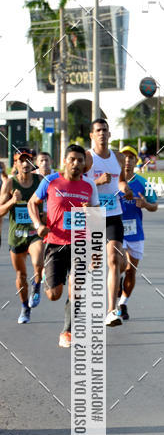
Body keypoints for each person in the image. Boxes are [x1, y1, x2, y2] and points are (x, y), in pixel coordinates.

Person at [27, 144, 99, 348]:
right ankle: (43, 280)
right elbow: (33, 203)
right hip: (54, 244)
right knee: (54, 294)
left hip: (80, 242)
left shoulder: (89, 185)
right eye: (72, 159)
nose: (76, 163)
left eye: (80, 160)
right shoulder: (50, 181)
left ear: (85, 164)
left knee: (76, 288)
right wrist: (38, 224)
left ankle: (67, 331)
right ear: (65, 161)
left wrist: (91, 213)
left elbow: (96, 214)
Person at [84, 118, 133, 326]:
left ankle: (111, 311)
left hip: (113, 214)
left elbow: (120, 179)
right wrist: (97, 182)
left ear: (109, 134)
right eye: (98, 130)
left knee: (113, 259)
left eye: (105, 130)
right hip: (92, 214)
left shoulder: (118, 157)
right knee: (94, 264)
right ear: (92, 135)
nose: (102, 133)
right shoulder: (87, 157)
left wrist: (125, 188)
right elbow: (78, 184)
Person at [0, 149, 43, 323]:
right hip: (16, 236)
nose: (25, 164)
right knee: (21, 275)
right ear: (16, 164)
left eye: (28, 160)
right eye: (21, 160)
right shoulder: (10, 184)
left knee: (38, 262)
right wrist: (12, 201)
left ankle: (37, 286)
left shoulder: (39, 181)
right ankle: (25, 307)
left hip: (34, 233)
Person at [117, 146, 158, 320]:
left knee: (131, 271)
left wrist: (145, 204)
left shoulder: (143, 183)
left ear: (135, 161)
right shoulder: (111, 182)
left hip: (135, 232)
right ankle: (115, 289)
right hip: (115, 231)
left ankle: (123, 303)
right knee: (118, 264)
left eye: (131, 157)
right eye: (124, 157)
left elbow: (154, 205)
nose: (127, 161)